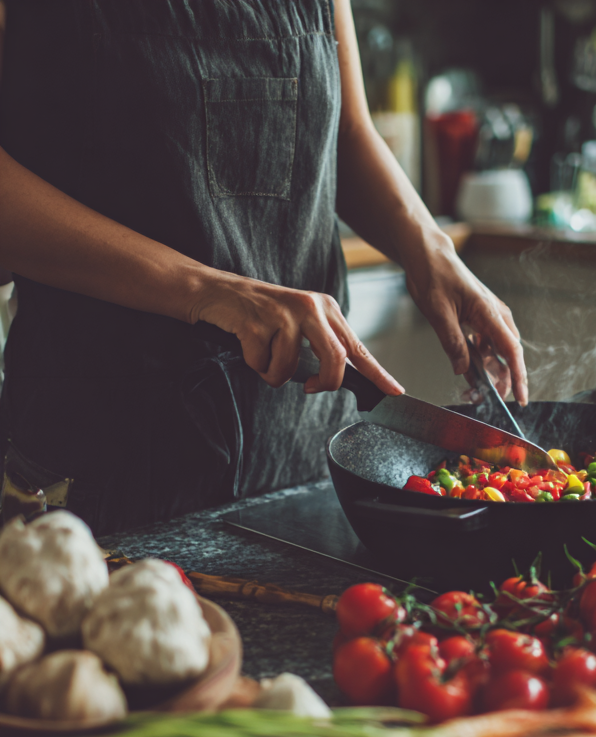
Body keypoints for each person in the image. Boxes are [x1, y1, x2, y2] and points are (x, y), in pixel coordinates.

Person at [0, 0, 526, 534]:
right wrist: (207, 290)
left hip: (305, 454)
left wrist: (430, 251)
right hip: (103, 464)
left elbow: (345, 132)